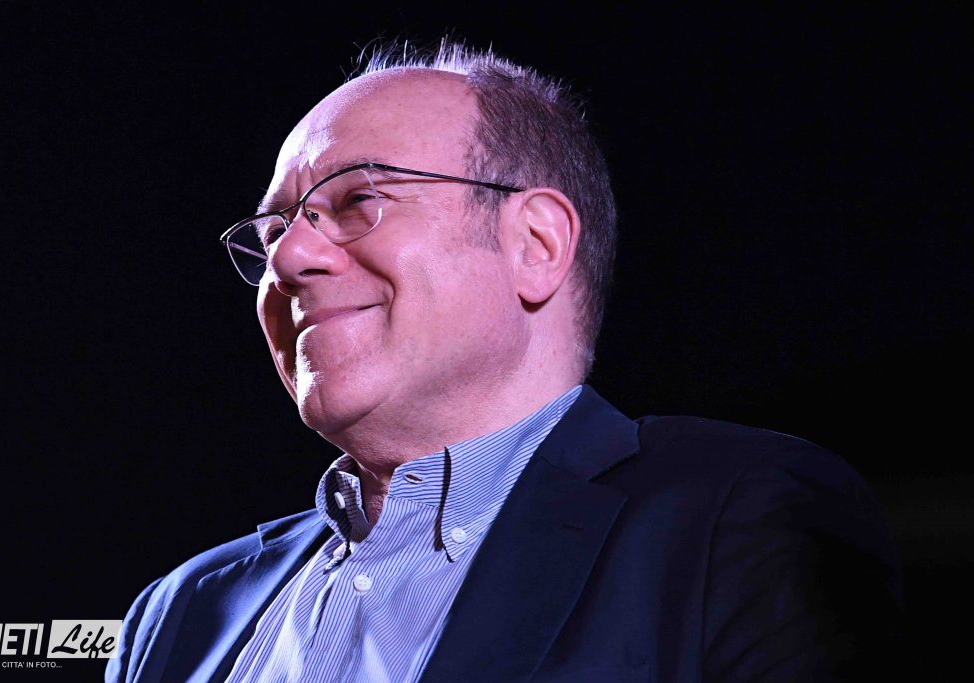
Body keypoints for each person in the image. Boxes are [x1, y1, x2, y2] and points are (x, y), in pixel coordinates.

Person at [107, 42, 903, 682]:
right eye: (277, 230)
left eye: (357, 201)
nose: (290, 259)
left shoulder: (738, 520)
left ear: (536, 244)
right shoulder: (177, 615)